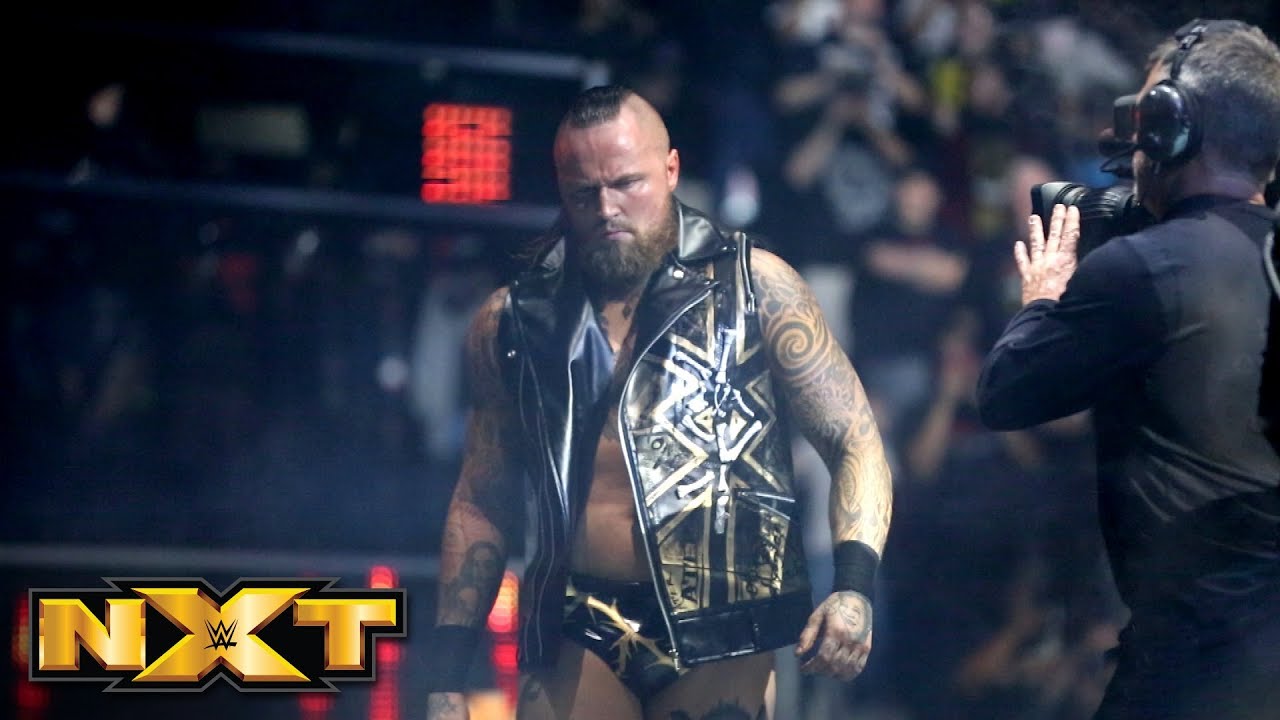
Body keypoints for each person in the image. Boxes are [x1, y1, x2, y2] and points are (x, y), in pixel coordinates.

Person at [425, 84, 894, 719]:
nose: (607, 208)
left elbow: (854, 437)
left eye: (627, 183)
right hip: (575, 619)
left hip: (723, 625)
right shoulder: (514, 321)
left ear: (670, 169)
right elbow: (482, 497)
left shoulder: (756, 286)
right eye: (585, 192)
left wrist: (855, 587)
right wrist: (447, 675)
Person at [974, 18, 1280, 720]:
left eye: (1143, 120)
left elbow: (1006, 393)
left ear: (1174, 130)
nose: (1129, 140)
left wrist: (1044, 297)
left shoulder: (1144, 269)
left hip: (1196, 664)